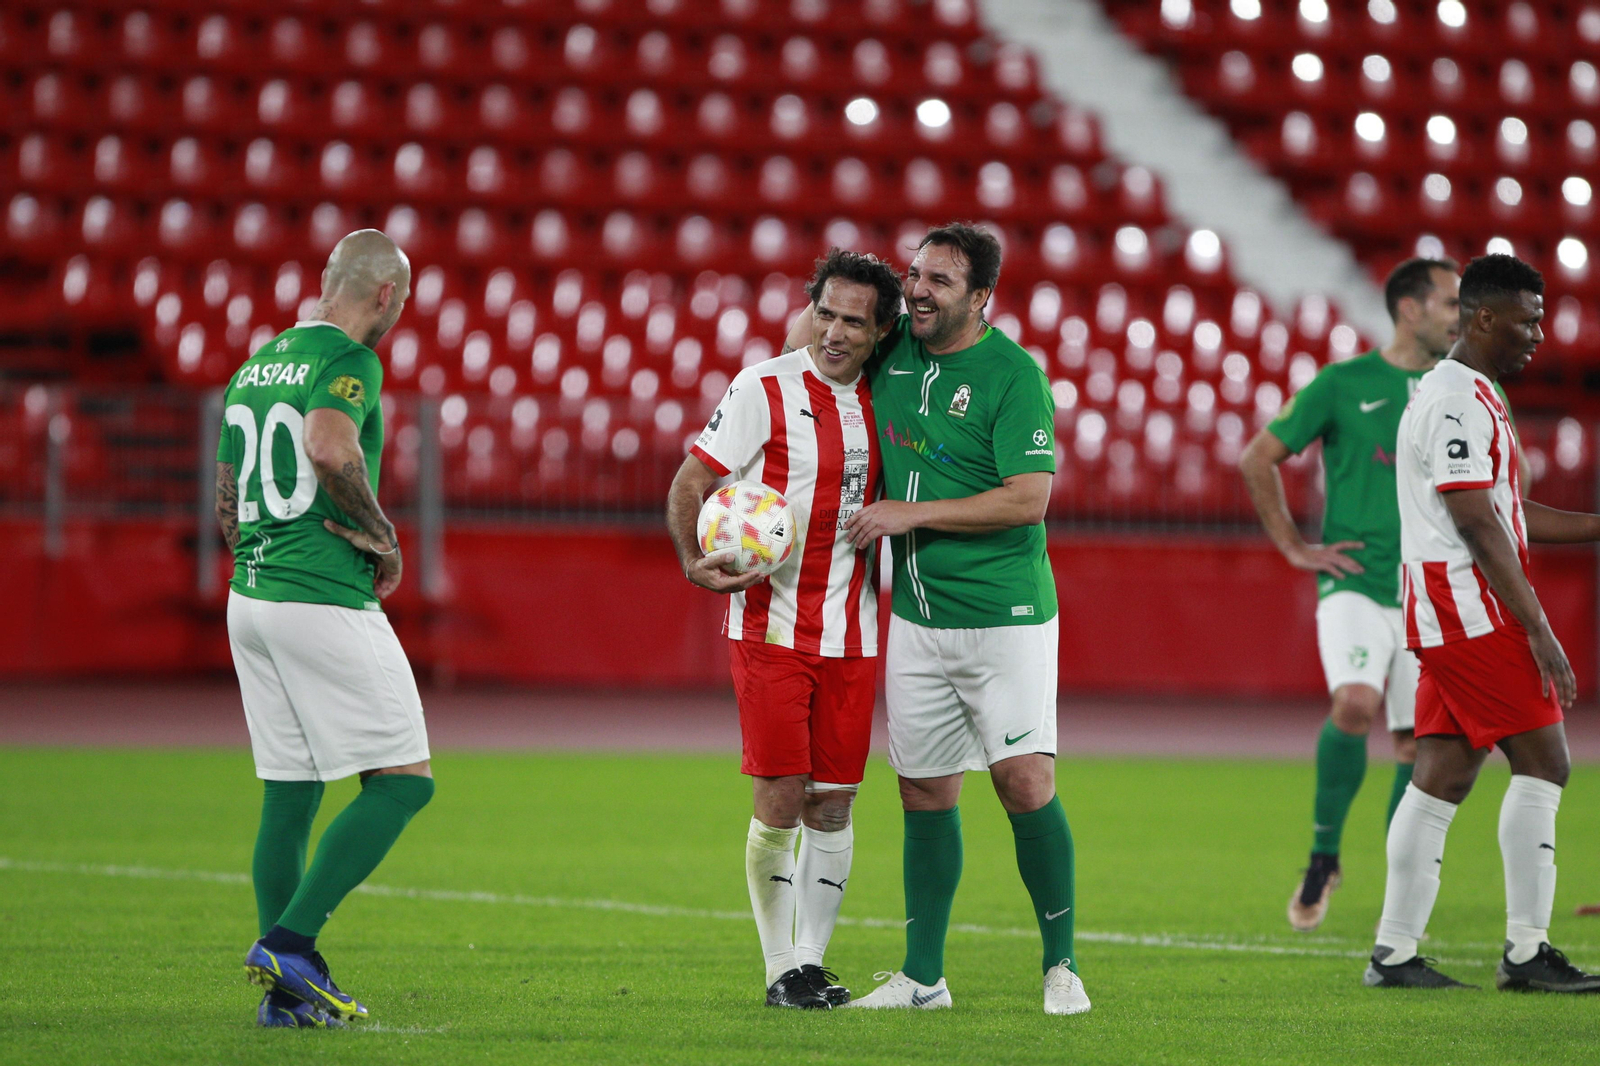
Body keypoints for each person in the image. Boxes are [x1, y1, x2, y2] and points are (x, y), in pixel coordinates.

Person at [783, 222, 1088, 1016]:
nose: (919, 290)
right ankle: (923, 979)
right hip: (916, 619)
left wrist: (910, 514)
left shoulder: (1012, 374)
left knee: (1024, 783)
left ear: (982, 297)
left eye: (939, 281)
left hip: (1008, 617)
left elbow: (1029, 498)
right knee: (922, 793)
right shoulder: (893, 351)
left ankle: (1062, 968)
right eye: (914, 276)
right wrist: (861, 296)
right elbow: (807, 331)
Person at [666, 248, 903, 1010]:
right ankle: (778, 969)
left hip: (855, 631)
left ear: (881, 331)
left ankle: (809, 961)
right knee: (781, 795)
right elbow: (691, 482)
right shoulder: (763, 386)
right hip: (769, 627)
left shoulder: (888, 400)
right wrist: (692, 558)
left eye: (853, 322)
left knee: (833, 803)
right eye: (825, 313)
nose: (834, 332)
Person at [217, 230, 434, 1026]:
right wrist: (383, 537)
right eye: (401, 303)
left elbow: (227, 498)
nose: (398, 316)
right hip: (319, 594)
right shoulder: (350, 362)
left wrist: (260, 569)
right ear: (383, 296)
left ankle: (287, 1000)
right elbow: (328, 446)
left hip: (253, 597)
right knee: (405, 781)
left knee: (291, 791)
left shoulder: (255, 366)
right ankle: (292, 946)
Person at [1367, 253, 1600, 991]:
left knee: (1441, 775)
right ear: (1485, 317)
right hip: (1468, 604)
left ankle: (1393, 955)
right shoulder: (1458, 400)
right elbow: (1473, 518)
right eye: (1527, 320)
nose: (1538, 334)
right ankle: (1527, 953)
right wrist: (1538, 626)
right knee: (1546, 762)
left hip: (1450, 605)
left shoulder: (1472, 392)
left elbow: (1506, 512)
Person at [1240, 258, 1460, 932]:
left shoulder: (1467, 390)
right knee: (1355, 702)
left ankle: (1398, 894)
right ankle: (1324, 853)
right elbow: (1258, 458)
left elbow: (1518, 471)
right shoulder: (1344, 383)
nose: (1461, 314)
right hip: (1356, 580)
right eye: (1450, 302)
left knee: (1417, 747)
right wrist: (1292, 547)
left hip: (1430, 588)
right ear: (1409, 308)